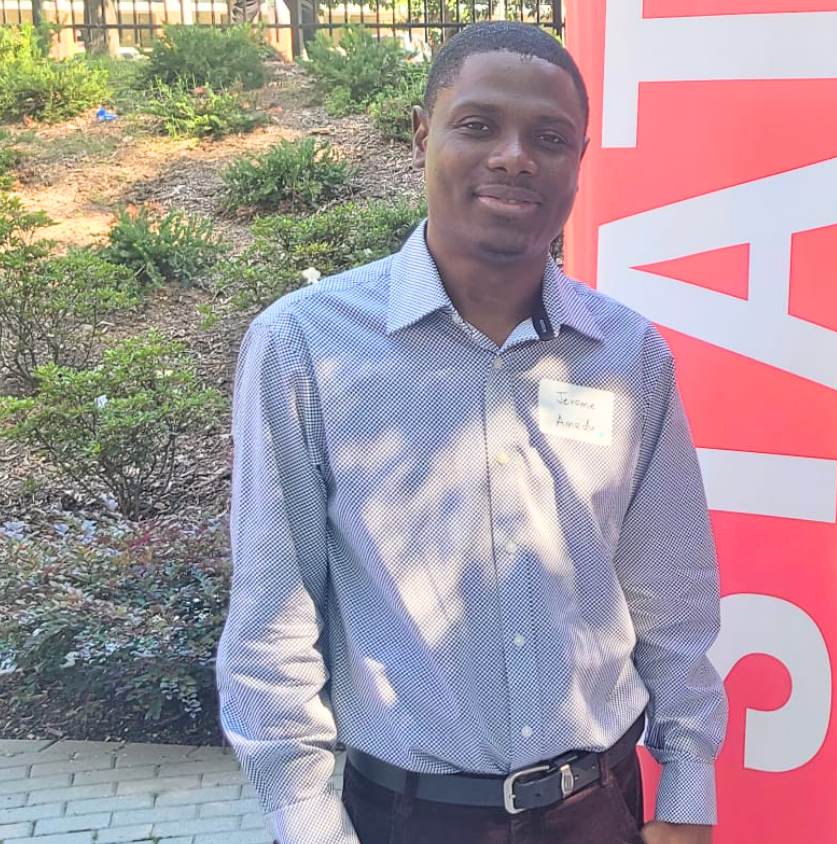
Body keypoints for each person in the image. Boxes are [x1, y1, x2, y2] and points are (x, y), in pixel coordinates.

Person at [216, 21, 726, 844]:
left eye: (549, 137)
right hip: (406, 819)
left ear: (578, 163)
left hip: (600, 808)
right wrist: (306, 823)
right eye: (479, 125)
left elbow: (672, 593)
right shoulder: (306, 347)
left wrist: (688, 791)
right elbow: (274, 615)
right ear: (424, 137)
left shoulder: (629, 355)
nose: (515, 157)